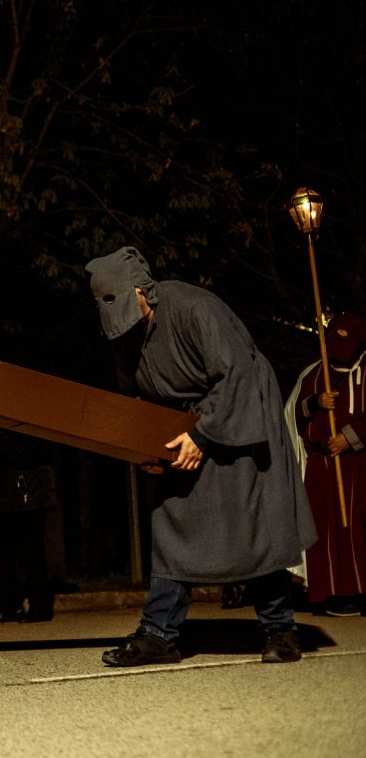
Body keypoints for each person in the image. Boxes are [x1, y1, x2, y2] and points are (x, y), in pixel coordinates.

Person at [85, 246, 316, 665]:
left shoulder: (195, 308)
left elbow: (238, 374)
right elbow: (136, 399)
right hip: (184, 425)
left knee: (255, 521)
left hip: (239, 410)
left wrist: (205, 435)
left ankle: (280, 630)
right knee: (173, 522)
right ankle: (159, 634)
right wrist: (147, 448)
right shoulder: (124, 337)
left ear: (142, 291)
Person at [288, 312, 366, 617]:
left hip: (360, 465)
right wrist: (317, 405)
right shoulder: (315, 373)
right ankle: (332, 593)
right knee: (326, 530)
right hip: (323, 466)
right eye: (333, 335)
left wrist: (350, 437)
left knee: (359, 526)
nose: (338, 344)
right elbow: (296, 415)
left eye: (346, 337)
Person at [0, 429, 59, 624]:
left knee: (32, 553)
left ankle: (39, 607)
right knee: (4, 554)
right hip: (3, 494)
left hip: (29, 494)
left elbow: (32, 453)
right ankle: (10, 606)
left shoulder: (33, 421)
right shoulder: (1, 422)